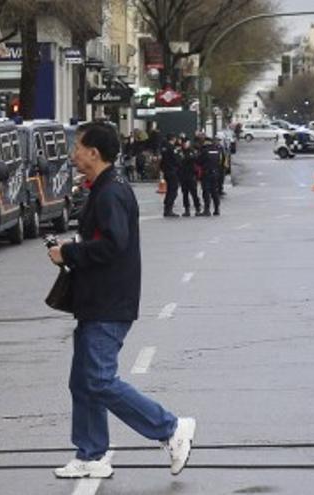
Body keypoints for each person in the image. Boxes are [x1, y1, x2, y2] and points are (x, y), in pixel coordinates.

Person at [47, 122, 195, 479]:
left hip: (109, 301)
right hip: (98, 298)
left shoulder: (111, 191)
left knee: (98, 379)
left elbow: (115, 243)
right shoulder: (104, 187)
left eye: (78, 147)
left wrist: (69, 252)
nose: (73, 154)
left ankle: (171, 429)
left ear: (93, 153)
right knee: (83, 381)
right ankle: (91, 454)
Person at [199, 137, 223, 216]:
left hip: (206, 173)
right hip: (215, 172)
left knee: (206, 192)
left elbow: (199, 161)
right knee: (214, 191)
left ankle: (207, 209)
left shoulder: (204, 150)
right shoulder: (217, 150)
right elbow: (220, 161)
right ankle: (216, 209)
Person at [178, 139, 201, 216]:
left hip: (191, 175)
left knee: (194, 193)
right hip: (183, 175)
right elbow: (178, 161)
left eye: (186, 143)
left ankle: (197, 208)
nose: (184, 145)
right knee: (185, 193)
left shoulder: (192, 151)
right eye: (183, 143)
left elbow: (195, 159)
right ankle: (186, 209)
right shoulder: (180, 151)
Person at [160, 134, 180, 217]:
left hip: (166, 171)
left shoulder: (163, 148)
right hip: (172, 171)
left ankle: (167, 208)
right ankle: (169, 209)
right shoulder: (172, 148)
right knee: (173, 190)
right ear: (173, 139)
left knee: (169, 190)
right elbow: (176, 159)